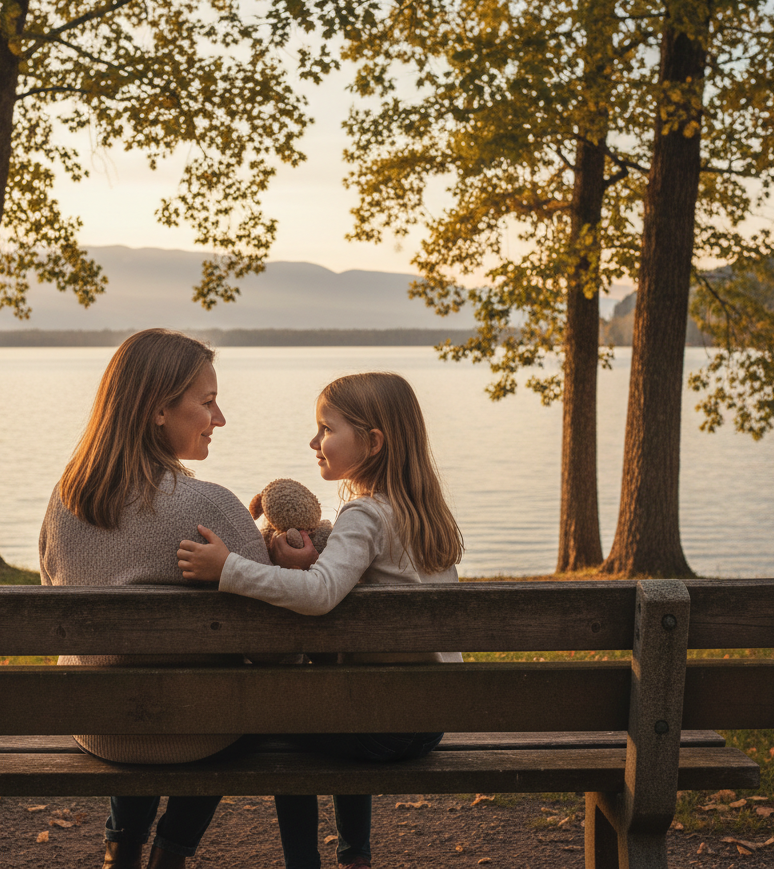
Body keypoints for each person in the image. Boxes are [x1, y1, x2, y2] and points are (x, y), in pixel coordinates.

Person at [177, 371, 465, 869]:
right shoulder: (422, 514)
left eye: (327, 429)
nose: (314, 442)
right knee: (335, 703)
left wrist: (228, 568)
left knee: (277, 720)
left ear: (373, 442)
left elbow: (320, 594)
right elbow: (354, 580)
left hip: (384, 728)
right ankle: (354, 855)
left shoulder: (365, 515)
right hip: (428, 718)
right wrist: (314, 562)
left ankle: (296, 861)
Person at [39, 328, 272, 869]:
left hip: (98, 726)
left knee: (135, 678)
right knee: (244, 692)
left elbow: (56, 594)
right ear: (158, 410)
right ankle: (171, 854)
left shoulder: (66, 499)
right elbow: (276, 646)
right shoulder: (211, 506)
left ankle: (120, 850)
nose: (219, 419)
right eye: (207, 402)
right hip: (199, 735)